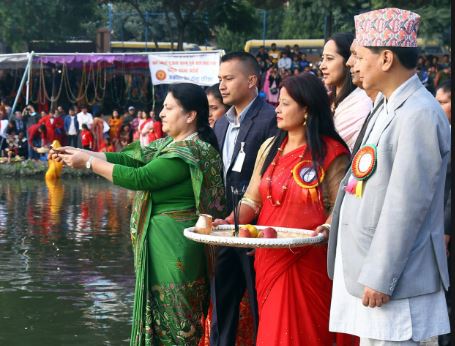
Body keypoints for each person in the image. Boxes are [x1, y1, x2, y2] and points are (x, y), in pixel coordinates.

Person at [49, 82, 226, 345]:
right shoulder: (169, 144)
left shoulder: (187, 152)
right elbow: (132, 159)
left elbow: (140, 177)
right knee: (163, 316)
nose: (161, 114)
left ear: (190, 116)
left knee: (177, 319)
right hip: (164, 244)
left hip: (176, 246)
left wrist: (88, 163)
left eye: (168, 108)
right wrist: (82, 152)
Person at [325, 8, 451, 345]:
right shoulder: (387, 106)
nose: (353, 64)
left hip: (396, 280)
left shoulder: (419, 114)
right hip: (376, 270)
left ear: (385, 58)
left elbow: (406, 206)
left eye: (359, 55)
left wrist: (382, 276)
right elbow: (363, 179)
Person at [215, 73, 350, 345]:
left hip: (310, 259)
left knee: (307, 331)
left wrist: (324, 229)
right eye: (278, 103)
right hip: (269, 258)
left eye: (285, 103)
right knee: (272, 330)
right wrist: (228, 223)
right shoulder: (270, 147)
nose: (277, 109)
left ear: (307, 109)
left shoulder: (332, 153)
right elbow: (253, 201)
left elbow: (340, 208)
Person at [211, 51, 277, 346]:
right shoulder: (221, 123)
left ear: (252, 81)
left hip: (255, 232)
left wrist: (264, 232)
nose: (222, 86)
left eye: (229, 78)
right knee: (221, 305)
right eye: (220, 79)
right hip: (226, 228)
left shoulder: (270, 120)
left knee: (260, 305)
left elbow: (271, 182)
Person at [320, 32, 372, 151]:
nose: (322, 66)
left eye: (329, 59)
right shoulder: (327, 99)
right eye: (322, 58)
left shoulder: (361, 103)